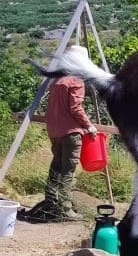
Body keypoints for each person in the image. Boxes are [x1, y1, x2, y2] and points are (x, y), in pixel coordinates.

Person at [25, 75, 97, 223]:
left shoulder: (57, 81)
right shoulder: (76, 81)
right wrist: (89, 125)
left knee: (56, 167)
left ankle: (50, 203)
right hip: (70, 132)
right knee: (68, 171)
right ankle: (65, 209)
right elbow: (75, 107)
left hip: (54, 131)